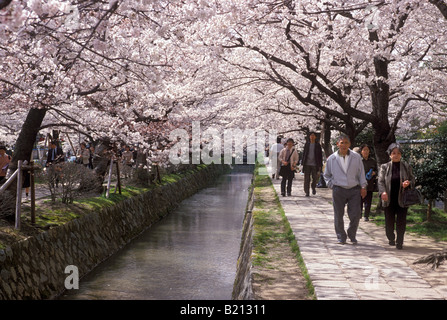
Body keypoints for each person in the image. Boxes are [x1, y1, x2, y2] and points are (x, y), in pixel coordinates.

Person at [323, 134, 367, 244]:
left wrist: (363, 186)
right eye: (341, 143)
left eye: (346, 143)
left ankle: (352, 234)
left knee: (356, 214)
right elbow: (326, 175)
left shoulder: (356, 157)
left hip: (354, 189)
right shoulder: (332, 158)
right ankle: (341, 236)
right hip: (338, 189)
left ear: (350, 144)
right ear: (338, 144)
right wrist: (331, 184)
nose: (344, 145)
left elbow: (361, 173)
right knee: (338, 214)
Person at [378, 143, 415, 250]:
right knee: (389, 221)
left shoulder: (406, 166)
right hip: (388, 198)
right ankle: (391, 238)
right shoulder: (384, 167)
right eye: (393, 153)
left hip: (402, 199)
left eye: (398, 153)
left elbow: (413, 179)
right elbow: (380, 181)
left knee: (401, 221)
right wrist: (383, 192)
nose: (396, 155)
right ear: (390, 155)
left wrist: (408, 183)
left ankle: (400, 242)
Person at [302, 132, 323, 196]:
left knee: (315, 178)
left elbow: (320, 155)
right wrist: (302, 163)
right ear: (309, 137)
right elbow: (304, 154)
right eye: (311, 135)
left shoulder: (318, 145)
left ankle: (313, 187)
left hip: (315, 164)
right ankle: (307, 192)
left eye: (313, 135)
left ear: (315, 137)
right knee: (307, 179)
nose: (312, 136)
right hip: (307, 164)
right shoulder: (307, 144)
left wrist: (320, 165)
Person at [360, 144, 378, 221]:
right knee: (360, 200)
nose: (366, 151)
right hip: (360, 183)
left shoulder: (373, 161)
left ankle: (366, 215)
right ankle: (359, 214)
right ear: (361, 151)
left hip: (370, 183)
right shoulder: (359, 161)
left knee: (368, 200)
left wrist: (374, 173)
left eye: (367, 150)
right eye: (364, 150)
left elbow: (377, 170)